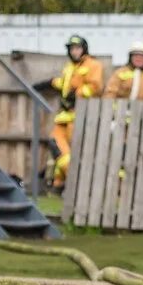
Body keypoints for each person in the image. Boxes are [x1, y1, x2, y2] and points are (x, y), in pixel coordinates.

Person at [48, 35, 104, 189]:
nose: (74, 52)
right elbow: (66, 84)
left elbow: (95, 87)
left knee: (77, 152)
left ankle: (76, 183)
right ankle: (59, 183)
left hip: (81, 116)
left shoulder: (93, 65)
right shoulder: (69, 67)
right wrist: (51, 83)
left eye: (77, 48)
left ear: (84, 49)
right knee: (57, 147)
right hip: (64, 116)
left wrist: (77, 94)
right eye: (72, 49)